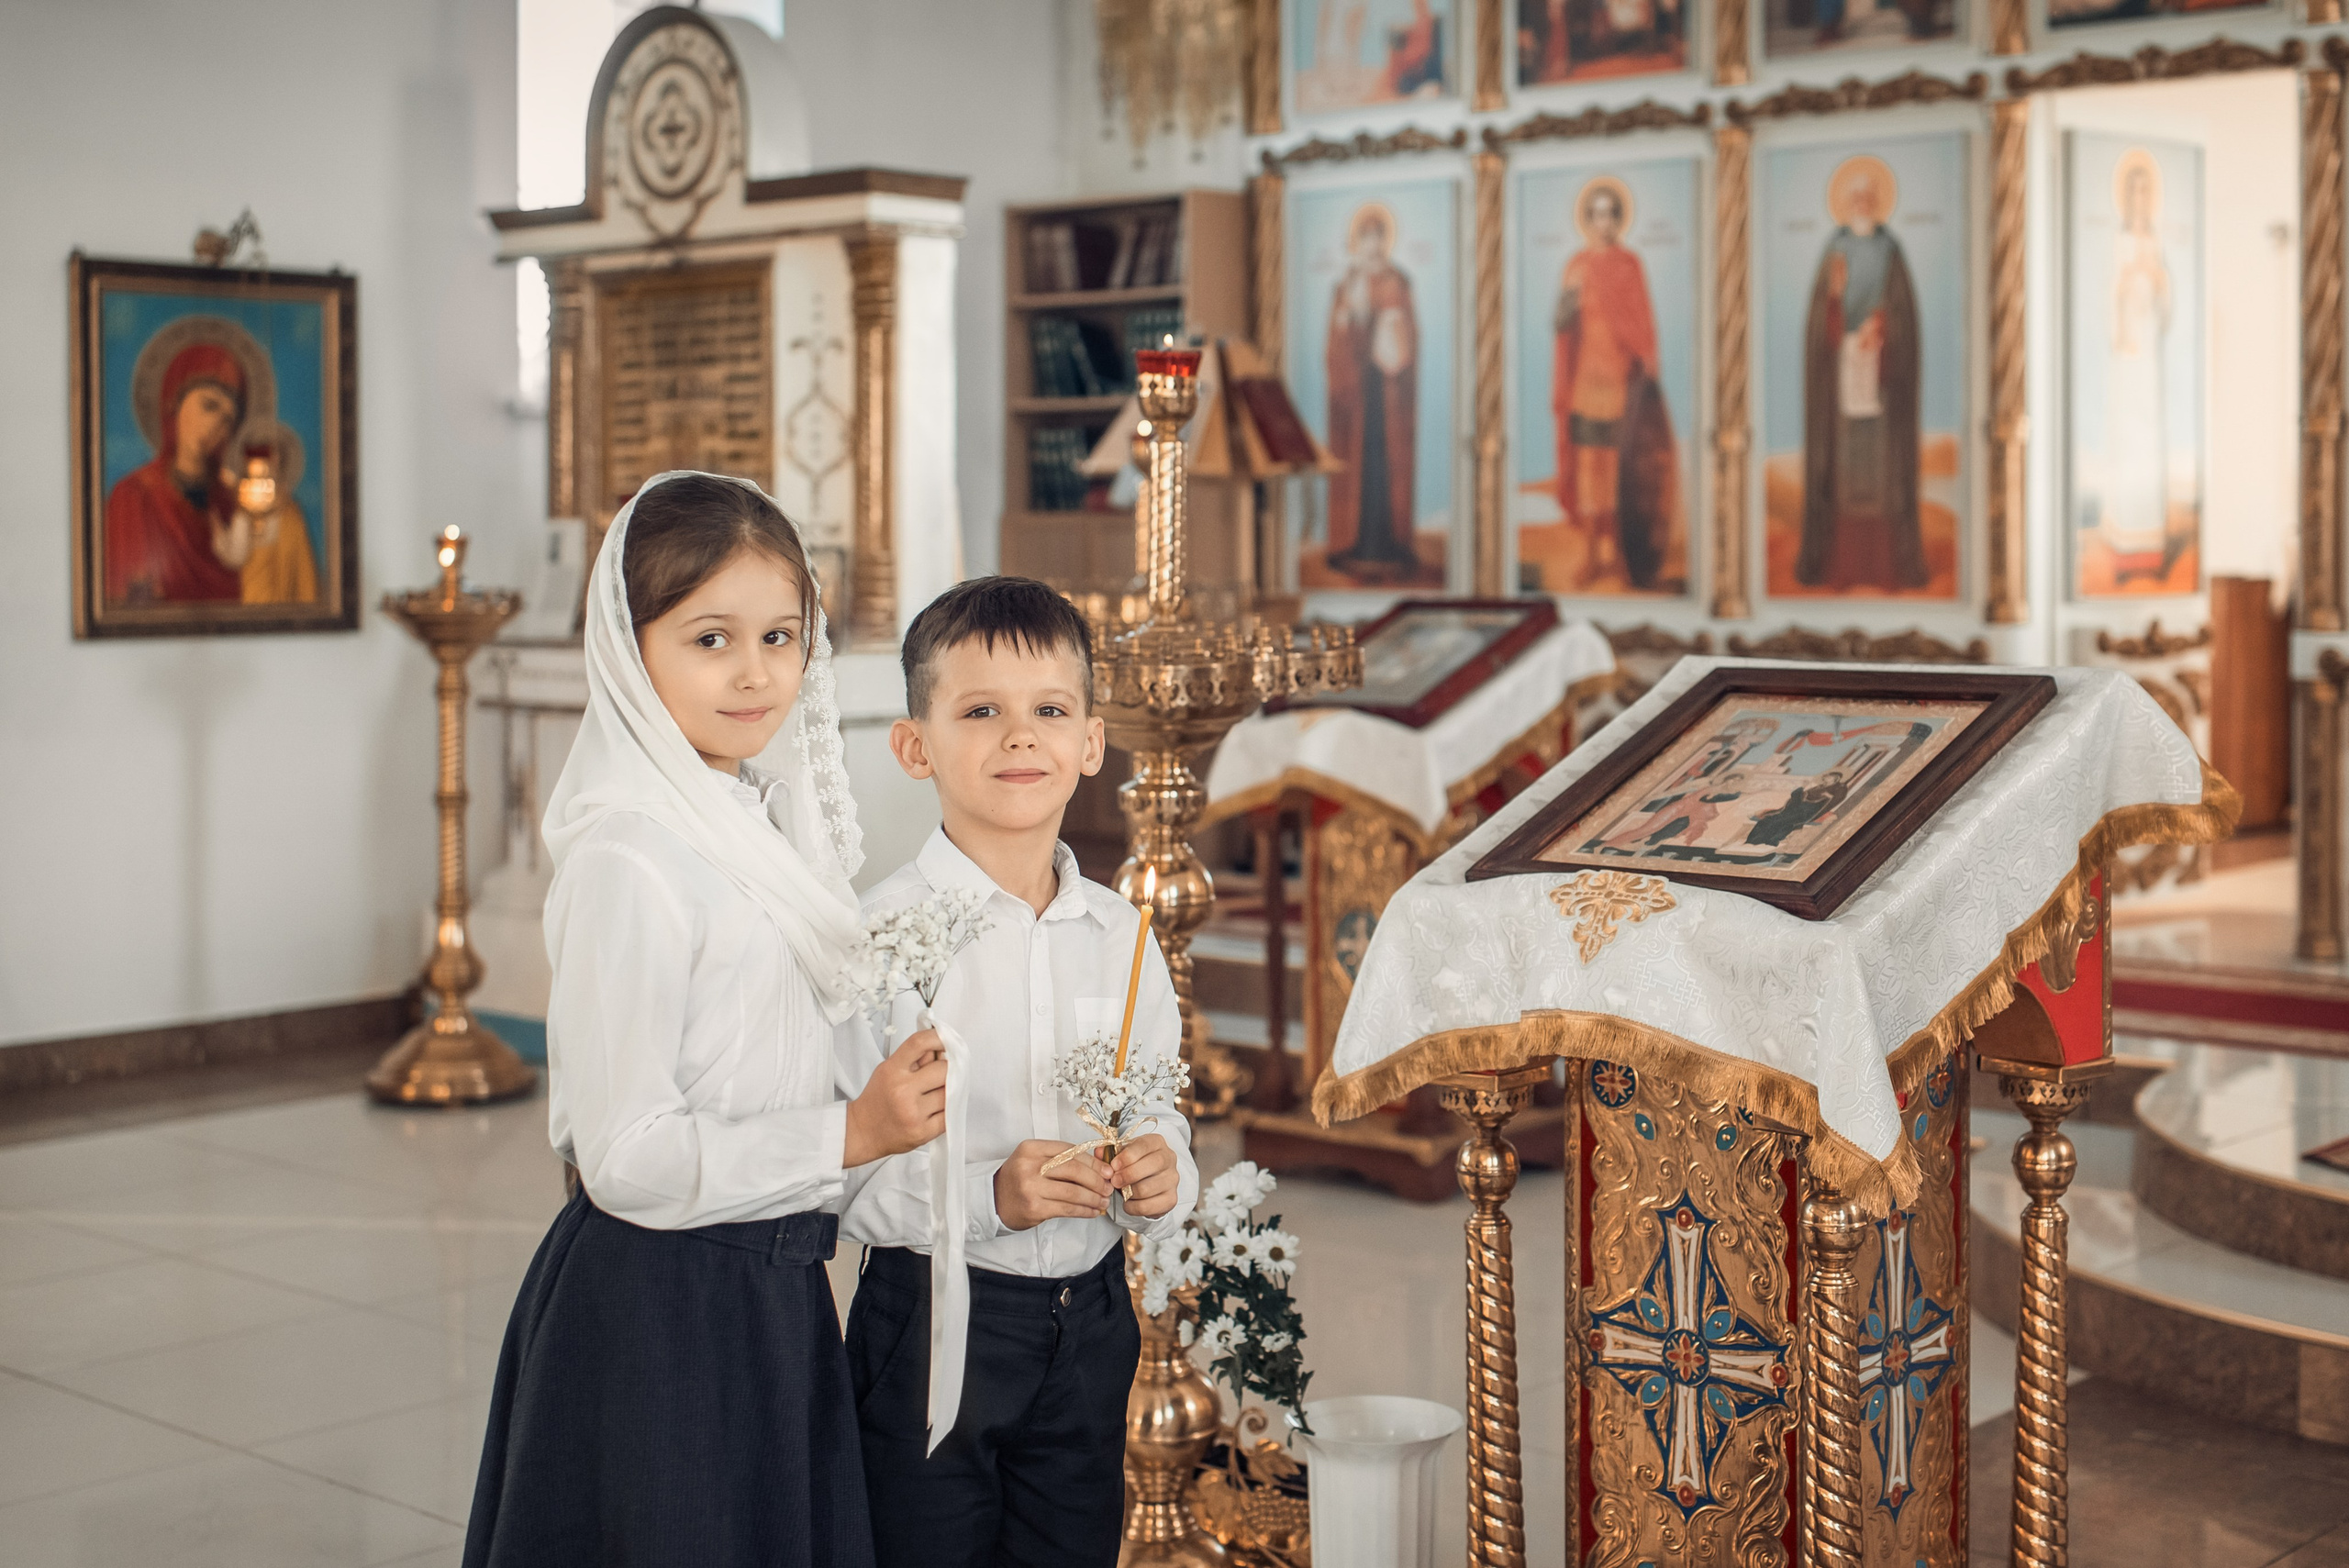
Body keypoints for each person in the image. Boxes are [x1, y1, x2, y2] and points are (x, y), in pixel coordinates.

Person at [462, 471, 950, 1568]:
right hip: (660, 1309)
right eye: (709, 638)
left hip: (770, 1289)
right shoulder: (632, 854)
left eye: (781, 635)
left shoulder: (761, 824)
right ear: (631, 655)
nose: (755, 672)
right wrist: (850, 1133)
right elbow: (624, 1152)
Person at [839, 575, 1197, 1568]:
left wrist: (1166, 1170)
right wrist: (990, 1194)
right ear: (915, 745)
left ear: (1091, 741)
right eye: (980, 710)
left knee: (1069, 1545)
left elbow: (1158, 1102)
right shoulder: (880, 939)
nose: (1018, 737)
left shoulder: (1124, 938)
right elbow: (841, 1178)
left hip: (1090, 1320)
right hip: (929, 1318)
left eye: (1049, 710)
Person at [1796, 158, 1925, 593]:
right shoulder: (1834, 250)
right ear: (1846, 204)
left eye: (1870, 197)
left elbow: (1903, 315)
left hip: (1882, 382)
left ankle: (1885, 568)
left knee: (1882, 472)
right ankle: (1843, 568)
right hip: (1843, 378)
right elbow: (1821, 320)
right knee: (1845, 472)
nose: (1863, 203)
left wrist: (1884, 329)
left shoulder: (1891, 251)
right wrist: (1834, 303)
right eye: (1856, 197)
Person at [1553, 178, 1679, 589]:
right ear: (1587, 219)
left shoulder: (1629, 265)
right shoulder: (1576, 266)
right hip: (1585, 385)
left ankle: (1621, 556)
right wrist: (1568, 299)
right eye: (1596, 214)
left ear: (1617, 219)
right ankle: (1592, 556)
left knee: (1621, 473)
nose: (1603, 222)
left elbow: (1642, 324)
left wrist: (1649, 364)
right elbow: (1560, 325)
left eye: (1610, 214)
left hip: (1622, 386)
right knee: (1591, 470)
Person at [104, 339, 247, 605]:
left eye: (228, 419)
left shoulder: (230, 505)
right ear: (174, 402)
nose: (217, 425)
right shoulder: (133, 496)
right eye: (210, 406)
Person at [1325, 204, 1422, 580]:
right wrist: (1347, 321)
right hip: (1356, 394)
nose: (1371, 244)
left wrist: (1392, 327)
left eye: (1377, 236)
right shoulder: (1348, 282)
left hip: (1387, 394)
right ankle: (1353, 540)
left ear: (1385, 241)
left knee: (1384, 465)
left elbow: (1407, 336)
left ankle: (1388, 541)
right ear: (1357, 242)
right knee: (1356, 465)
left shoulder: (1396, 282)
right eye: (1364, 237)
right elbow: (1335, 340)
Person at [2099, 151, 2173, 585]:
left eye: (2148, 192)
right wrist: (2126, 283)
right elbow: (2111, 296)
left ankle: (2151, 551)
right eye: (2136, 191)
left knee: (2150, 443)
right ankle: (2125, 549)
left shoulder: (2156, 243)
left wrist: (2160, 282)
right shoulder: (2120, 241)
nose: (2142, 199)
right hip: (2126, 353)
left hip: (2149, 355)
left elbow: (2167, 304)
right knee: (2126, 444)